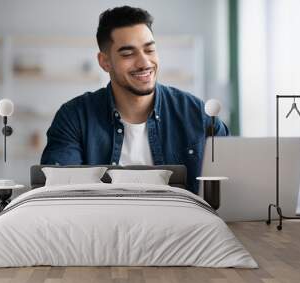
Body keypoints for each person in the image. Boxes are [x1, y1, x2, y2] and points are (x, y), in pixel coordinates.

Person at [41, 6, 229, 193]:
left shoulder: (199, 115)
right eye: (128, 54)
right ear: (104, 62)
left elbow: (230, 188)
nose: (144, 63)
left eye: (150, 50)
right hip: (101, 222)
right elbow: (61, 196)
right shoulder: (74, 117)